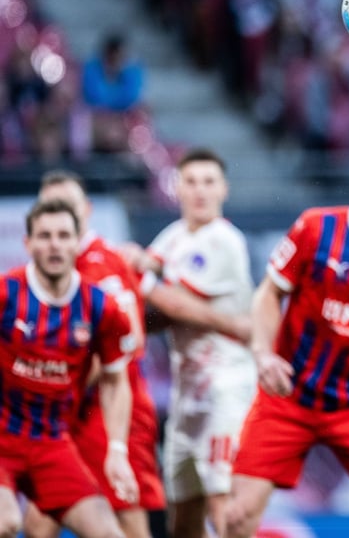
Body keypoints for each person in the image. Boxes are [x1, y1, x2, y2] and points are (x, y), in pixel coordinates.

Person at [224, 140, 349, 538]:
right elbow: (268, 294)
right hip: (288, 398)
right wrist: (263, 355)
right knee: (238, 518)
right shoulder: (316, 228)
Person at [19, 170, 164, 538]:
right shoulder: (70, 270)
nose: (58, 214)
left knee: (126, 518)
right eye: (49, 207)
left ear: (84, 211)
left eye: (66, 207)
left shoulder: (98, 266)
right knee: (39, 520)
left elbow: (115, 350)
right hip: (73, 413)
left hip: (110, 410)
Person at [123, 149, 255, 538]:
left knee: (224, 508)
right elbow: (158, 314)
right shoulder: (173, 239)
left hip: (226, 388)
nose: (200, 191)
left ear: (224, 189)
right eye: (191, 181)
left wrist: (141, 277)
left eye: (209, 181)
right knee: (183, 517)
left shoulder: (224, 240)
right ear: (176, 187)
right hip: (187, 394)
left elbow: (177, 301)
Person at [0, 199, 138, 538]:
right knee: (6, 522)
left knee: (111, 534)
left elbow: (115, 380)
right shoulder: (6, 293)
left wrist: (117, 451)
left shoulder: (100, 306)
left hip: (52, 444)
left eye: (63, 235)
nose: (55, 244)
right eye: (44, 236)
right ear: (28, 243)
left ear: (78, 241)